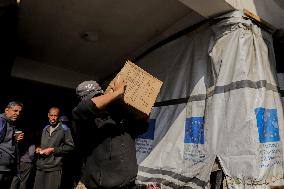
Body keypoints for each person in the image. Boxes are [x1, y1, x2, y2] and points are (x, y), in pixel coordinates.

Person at [72, 79, 149, 189]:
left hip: (130, 184)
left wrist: (143, 102)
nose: (97, 99)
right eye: (93, 98)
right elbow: (84, 108)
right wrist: (117, 93)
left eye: (98, 95)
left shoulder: (119, 117)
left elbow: (143, 125)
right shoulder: (82, 122)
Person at [33, 107, 75, 189]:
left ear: (58, 116)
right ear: (48, 115)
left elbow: (70, 147)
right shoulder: (45, 128)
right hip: (40, 166)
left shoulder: (64, 129)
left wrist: (53, 149)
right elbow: (43, 145)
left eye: (55, 116)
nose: (53, 118)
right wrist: (38, 148)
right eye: (51, 115)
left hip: (53, 167)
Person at [0, 101, 24, 188]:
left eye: (19, 112)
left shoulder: (13, 124)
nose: (17, 114)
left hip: (8, 166)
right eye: (15, 111)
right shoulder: (1, 121)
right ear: (7, 110)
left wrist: (15, 140)